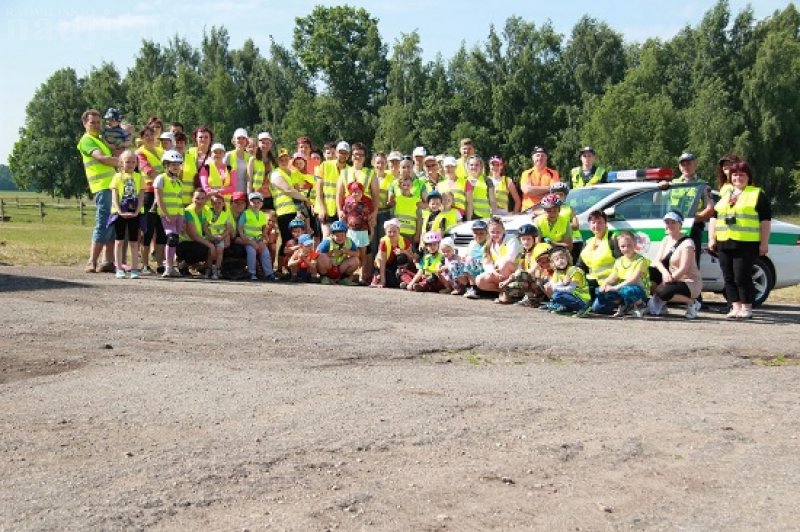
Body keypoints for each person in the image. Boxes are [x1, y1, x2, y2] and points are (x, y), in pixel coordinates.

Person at [708, 160, 771, 319]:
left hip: (746, 243)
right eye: (735, 175)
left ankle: (747, 307)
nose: (738, 178)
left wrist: (764, 243)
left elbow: (765, 221)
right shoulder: (725, 194)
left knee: (741, 276)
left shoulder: (756, 194)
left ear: (748, 177)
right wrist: (711, 239)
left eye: (742, 174)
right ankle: (735, 306)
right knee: (728, 276)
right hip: (724, 241)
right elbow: (715, 218)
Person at [78, 109, 119, 273]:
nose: (96, 125)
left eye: (97, 122)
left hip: (113, 186)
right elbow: (102, 159)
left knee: (113, 223)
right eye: (92, 122)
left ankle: (107, 261)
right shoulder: (87, 141)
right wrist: (124, 161)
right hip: (102, 187)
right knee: (103, 223)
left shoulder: (100, 139)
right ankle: (92, 261)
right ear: (85, 124)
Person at [648, 211, 703, 319]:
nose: (670, 225)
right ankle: (661, 305)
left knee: (662, 292)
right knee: (650, 273)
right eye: (667, 222)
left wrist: (669, 280)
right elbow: (658, 261)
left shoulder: (688, 243)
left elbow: (684, 269)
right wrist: (664, 273)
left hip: (688, 281)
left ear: (680, 225)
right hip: (671, 277)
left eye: (673, 222)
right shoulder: (666, 239)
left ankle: (693, 302)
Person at [667, 152, 714, 267]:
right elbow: (656, 202)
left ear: (695, 165)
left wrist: (693, 219)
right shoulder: (673, 184)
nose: (686, 167)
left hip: (693, 227)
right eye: (683, 165)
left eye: (689, 164)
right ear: (679, 167)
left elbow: (710, 209)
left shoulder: (702, 185)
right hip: (673, 228)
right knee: (672, 261)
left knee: (691, 263)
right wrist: (661, 186)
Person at [594, 231, 650, 317]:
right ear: (619, 247)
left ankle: (641, 305)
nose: (626, 248)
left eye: (629, 245)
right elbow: (612, 277)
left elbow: (633, 280)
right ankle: (624, 306)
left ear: (635, 245)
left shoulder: (641, 260)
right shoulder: (619, 261)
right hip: (622, 288)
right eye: (623, 246)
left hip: (638, 290)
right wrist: (605, 284)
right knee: (601, 291)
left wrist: (615, 287)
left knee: (628, 290)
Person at [271, 148, 313, 260]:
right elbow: (287, 190)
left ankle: (291, 268)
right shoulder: (275, 173)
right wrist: (305, 199)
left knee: (296, 241)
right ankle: (280, 269)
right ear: (277, 160)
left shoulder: (291, 173)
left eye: (286, 158)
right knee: (286, 240)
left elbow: (306, 182)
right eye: (281, 159)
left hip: (295, 211)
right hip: (284, 212)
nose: (284, 160)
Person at [108, 150, 144, 279]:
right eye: (127, 161)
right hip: (120, 213)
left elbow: (141, 195)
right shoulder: (117, 177)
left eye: (133, 161)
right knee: (119, 241)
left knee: (134, 242)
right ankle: (119, 268)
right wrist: (119, 211)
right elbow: (114, 195)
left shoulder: (139, 177)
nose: (130, 164)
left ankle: (134, 268)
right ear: (121, 163)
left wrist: (137, 211)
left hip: (135, 213)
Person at [135, 125, 166, 274]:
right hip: (149, 192)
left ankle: (160, 264)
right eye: (146, 135)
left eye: (151, 134)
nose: (149, 137)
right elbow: (148, 170)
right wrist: (165, 180)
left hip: (163, 193)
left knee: (161, 230)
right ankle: (145, 264)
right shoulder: (140, 153)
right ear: (141, 138)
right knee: (147, 230)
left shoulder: (161, 151)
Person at [153, 149, 186, 278]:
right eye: (173, 164)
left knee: (175, 240)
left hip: (178, 214)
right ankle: (168, 267)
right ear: (166, 165)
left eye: (178, 164)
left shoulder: (178, 182)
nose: (176, 167)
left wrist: (181, 218)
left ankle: (171, 267)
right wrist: (166, 214)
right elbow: (159, 198)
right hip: (167, 214)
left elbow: (179, 200)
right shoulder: (161, 178)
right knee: (171, 238)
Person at [576, 210, 621, 304]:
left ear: (606, 224)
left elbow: (621, 264)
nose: (596, 225)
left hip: (610, 284)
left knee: (597, 308)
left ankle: (619, 300)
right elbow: (580, 267)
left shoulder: (613, 239)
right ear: (589, 225)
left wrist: (609, 282)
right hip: (592, 284)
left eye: (600, 222)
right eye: (593, 222)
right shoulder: (588, 242)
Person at [475, 217, 520, 296]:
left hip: (516, 272)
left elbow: (511, 257)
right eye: (492, 232)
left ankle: (508, 293)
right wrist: (493, 272)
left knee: (504, 264)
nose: (495, 234)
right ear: (488, 232)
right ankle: (503, 291)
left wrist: (497, 266)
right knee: (479, 280)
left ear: (503, 230)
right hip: (499, 272)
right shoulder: (488, 244)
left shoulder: (511, 239)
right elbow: (486, 263)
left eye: (498, 232)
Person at [238, 192, 277, 281]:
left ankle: (269, 273)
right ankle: (251, 273)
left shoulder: (262, 215)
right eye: (253, 202)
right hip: (248, 239)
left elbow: (263, 227)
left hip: (258, 239)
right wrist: (243, 236)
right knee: (252, 252)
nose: (256, 204)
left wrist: (264, 236)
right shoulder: (246, 213)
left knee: (265, 253)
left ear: (262, 204)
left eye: (258, 202)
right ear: (249, 203)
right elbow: (240, 226)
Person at [341, 181, 375, 284]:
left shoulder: (365, 206)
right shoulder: (347, 205)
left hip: (363, 232)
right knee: (352, 253)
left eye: (358, 192)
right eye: (353, 192)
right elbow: (344, 219)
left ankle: (362, 275)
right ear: (350, 193)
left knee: (363, 254)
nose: (356, 194)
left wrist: (371, 232)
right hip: (351, 232)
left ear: (362, 193)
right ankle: (351, 275)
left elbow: (368, 220)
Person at [179, 188, 217, 277]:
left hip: (198, 241)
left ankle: (204, 268)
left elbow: (208, 228)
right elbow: (193, 236)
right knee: (205, 248)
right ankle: (183, 264)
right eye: (197, 198)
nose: (200, 201)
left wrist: (214, 239)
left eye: (203, 198)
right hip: (185, 243)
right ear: (192, 199)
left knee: (218, 246)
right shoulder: (188, 211)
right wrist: (210, 245)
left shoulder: (207, 211)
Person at [542, 246, 591, 316]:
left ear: (567, 258)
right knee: (552, 290)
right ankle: (566, 307)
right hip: (571, 298)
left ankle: (583, 308)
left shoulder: (574, 271)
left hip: (582, 300)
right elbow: (553, 284)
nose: (560, 261)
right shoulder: (557, 272)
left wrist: (555, 287)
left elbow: (570, 289)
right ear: (553, 263)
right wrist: (561, 284)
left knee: (556, 294)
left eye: (562, 258)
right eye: (557, 259)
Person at [497, 224, 539, 304]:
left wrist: (508, 280)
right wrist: (509, 282)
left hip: (540, 283)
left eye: (529, 239)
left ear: (534, 239)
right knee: (509, 286)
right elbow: (520, 269)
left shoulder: (539, 249)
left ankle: (534, 297)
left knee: (517, 275)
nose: (526, 242)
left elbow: (532, 271)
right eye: (523, 239)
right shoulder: (523, 253)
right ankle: (526, 298)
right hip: (529, 282)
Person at [316, 141, 351, 235]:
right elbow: (318, 190)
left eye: (345, 153)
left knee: (340, 240)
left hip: (342, 211)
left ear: (348, 155)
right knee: (327, 238)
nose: (342, 155)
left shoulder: (350, 170)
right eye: (340, 152)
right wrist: (322, 209)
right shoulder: (325, 165)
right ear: (336, 152)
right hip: (327, 210)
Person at [374, 218, 415, 288]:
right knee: (391, 283)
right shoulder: (383, 242)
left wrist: (404, 251)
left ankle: (402, 276)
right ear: (385, 232)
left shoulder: (405, 241)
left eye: (394, 231)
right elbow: (382, 263)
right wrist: (383, 281)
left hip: (398, 266)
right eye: (389, 232)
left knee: (402, 257)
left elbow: (412, 259)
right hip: (385, 266)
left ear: (399, 231)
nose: (392, 234)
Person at [389, 160, 422, 248]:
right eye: (404, 185)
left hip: (411, 234)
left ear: (412, 186)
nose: (406, 187)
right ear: (399, 186)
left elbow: (419, 218)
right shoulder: (397, 200)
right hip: (398, 233)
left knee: (410, 256)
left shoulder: (416, 201)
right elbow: (392, 216)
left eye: (408, 185)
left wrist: (418, 234)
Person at [317, 220, 360, 285]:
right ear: (332, 235)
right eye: (337, 235)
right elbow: (316, 254)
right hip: (329, 267)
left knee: (356, 260)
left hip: (340, 267)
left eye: (342, 235)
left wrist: (349, 252)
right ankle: (324, 277)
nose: (340, 238)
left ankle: (343, 279)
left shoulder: (349, 241)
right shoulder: (327, 242)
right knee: (322, 257)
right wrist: (330, 254)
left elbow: (357, 254)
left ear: (346, 234)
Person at [519, 146, 560, 211]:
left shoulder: (553, 173)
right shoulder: (526, 174)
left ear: (546, 158)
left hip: (547, 210)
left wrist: (534, 191)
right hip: (528, 211)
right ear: (533, 158)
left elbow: (555, 192)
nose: (540, 158)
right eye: (537, 155)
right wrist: (549, 188)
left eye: (542, 156)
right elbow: (527, 191)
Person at [205, 192, 234, 280]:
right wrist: (209, 236)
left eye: (219, 203)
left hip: (220, 237)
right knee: (210, 252)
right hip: (210, 237)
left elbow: (228, 229)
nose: (217, 205)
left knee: (219, 251)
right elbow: (205, 226)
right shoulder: (209, 213)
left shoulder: (226, 215)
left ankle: (217, 270)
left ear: (223, 204)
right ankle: (208, 269)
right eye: (214, 203)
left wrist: (222, 237)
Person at [182, 126, 213, 206]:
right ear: (196, 138)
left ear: (210, 139)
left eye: (206, 137)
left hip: (208, 197)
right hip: (189, 196)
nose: (203, 139)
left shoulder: (215, 155)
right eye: (200, 137)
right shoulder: (188, 153)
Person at [461, 220, 490, 299]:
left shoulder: (489, 243)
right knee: (454, 265)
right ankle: (467, 287)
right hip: (472, 266)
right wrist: (463, 259)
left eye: (481, 233)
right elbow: (467, 255)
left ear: (487, 233)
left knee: (469, 261)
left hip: (483, 267)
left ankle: (474, 288)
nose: (478, 235)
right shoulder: (472, 243)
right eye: (476, 233)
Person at [247, 132, 277, 210]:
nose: (265, 145)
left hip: (271, 195)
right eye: (263, 143)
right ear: (258, 144)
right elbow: (249, 181)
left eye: (268, 143)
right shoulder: (253, 159)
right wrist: (249, 197)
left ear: (271, 144)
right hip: (257, 197)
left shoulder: (273, 160)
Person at [464, 155, 496, 221]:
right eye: (471, 165)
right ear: (468, 166)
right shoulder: (464, 181)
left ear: (481, 166)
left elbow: (492, 201)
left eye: (476, 165)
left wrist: (494, 216)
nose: (474, 167)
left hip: (484, 217)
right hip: (468, 215)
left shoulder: (487, 180)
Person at [225, 128, 252, 196]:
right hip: (231, 193)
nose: (241, 140)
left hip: (245, 191)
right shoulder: (228, 155)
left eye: (243, 138)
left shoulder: (249, 157)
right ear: (234, 140)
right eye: (238, 138)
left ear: (246, 141)